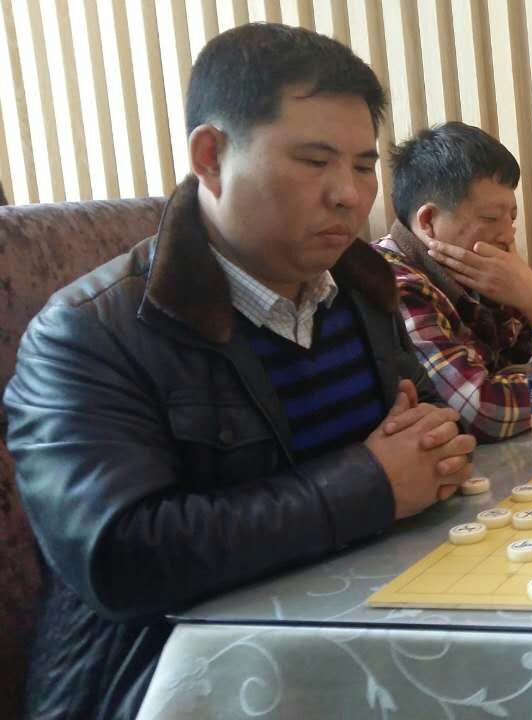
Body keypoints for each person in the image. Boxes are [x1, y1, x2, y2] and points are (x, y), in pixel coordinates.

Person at [3, 24, 475, 719]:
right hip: (169, 679)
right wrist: (371, 485)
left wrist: (434, 443)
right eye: (314, 161)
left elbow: (423, 425)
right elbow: (121, 557)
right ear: (211, 156)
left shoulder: (362, 284)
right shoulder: (86, 333)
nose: (349, 194)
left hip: (360, 637)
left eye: (362, 165)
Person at [376, 122, 532, 441]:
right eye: (491, 218)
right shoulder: (392, 280)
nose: (508, 235)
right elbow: (477, 410)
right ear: (428, 221)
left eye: (512, 218)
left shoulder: (480, 270)